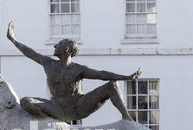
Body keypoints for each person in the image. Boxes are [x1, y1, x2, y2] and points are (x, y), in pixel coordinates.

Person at [7, 22, 142, 122]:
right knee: (25, 102)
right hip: (56, 107)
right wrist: (13, 41)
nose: (55, 46)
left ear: (66, 49)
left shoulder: (78, 69)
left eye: (58, 44)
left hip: (78, 107)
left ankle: (127, 118)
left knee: (111, 86)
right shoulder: (48, 63)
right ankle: (47, 123)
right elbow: (31, 53)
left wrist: (125, 77)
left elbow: (101, 74)